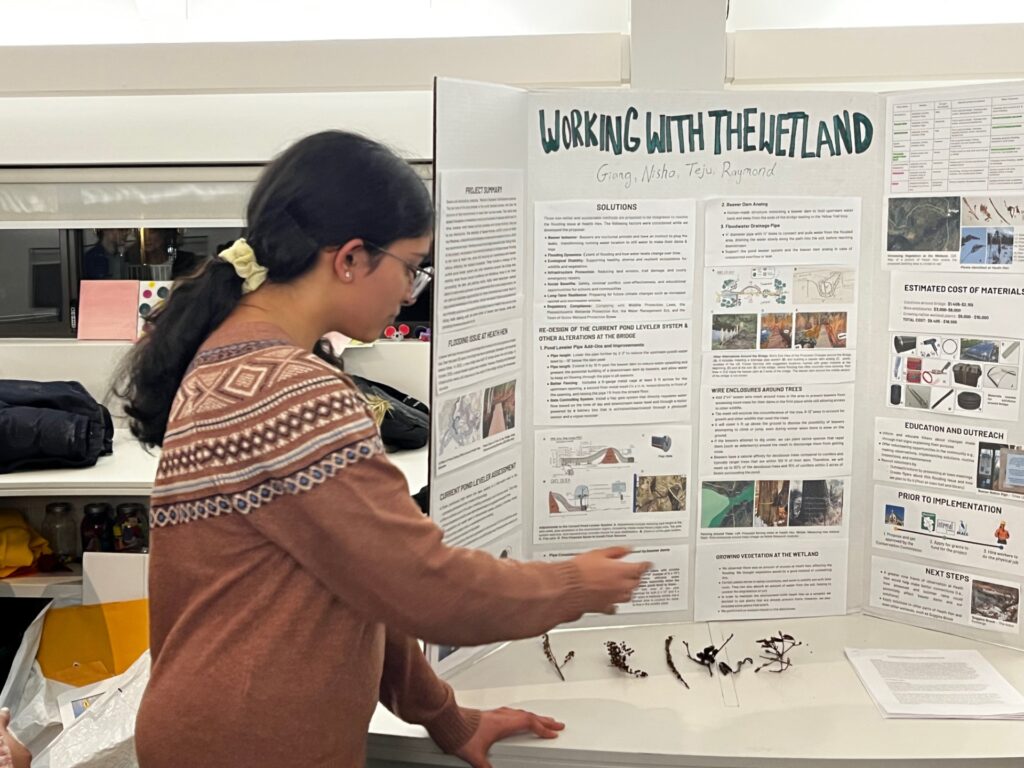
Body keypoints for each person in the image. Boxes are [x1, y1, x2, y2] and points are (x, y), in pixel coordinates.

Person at [117, 130, 649, 768]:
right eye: (412, 266)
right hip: (251, 743)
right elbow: (423, 586)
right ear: (349, 259)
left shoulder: (233, 358)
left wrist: (446, 718)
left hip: (223, 729)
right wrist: (572, 585)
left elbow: (362, 581)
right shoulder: (293, 393)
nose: (411, 290)